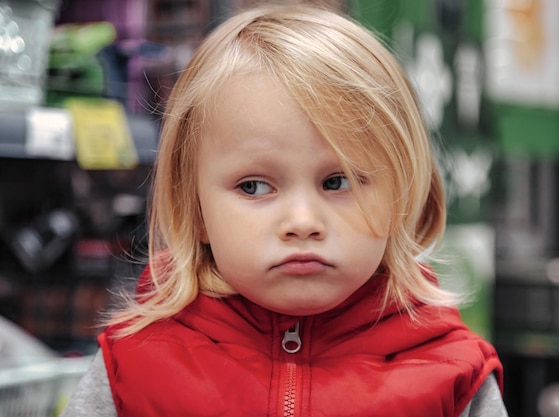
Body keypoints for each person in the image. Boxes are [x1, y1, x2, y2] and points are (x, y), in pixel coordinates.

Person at [61, 3, 508, 417]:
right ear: (193, 208)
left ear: (402, 194)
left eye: (338, 181)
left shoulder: (454, 373)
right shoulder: (133, 368)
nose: (302, 223)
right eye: (254, 186)